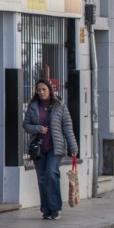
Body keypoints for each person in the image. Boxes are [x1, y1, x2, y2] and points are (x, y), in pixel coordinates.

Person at [23, 79, 78, 220]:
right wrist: (37, 128)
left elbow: (67, 127)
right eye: (39, 90)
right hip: (39, 148)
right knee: (42, 179)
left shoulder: (60, 106)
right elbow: (26, 125)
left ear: (49, 90)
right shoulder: (33, 107)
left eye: (44, 89)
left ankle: (55, 208)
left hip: (55, 147)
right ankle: (46, 210)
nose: (41, 92)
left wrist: (73, 147)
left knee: (51, 173)